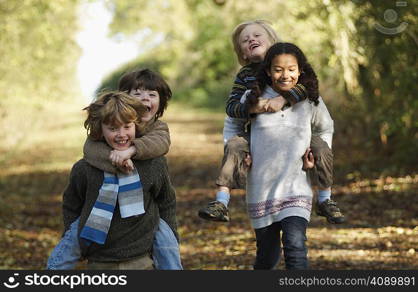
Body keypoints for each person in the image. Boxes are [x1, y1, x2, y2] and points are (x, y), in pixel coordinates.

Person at [198, 20, 344, 224]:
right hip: (257, 136)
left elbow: (308, 86)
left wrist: (283, 98)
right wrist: (254, 108)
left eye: (257, 35)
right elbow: (231, 109)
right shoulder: (245, 76)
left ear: (272, 41)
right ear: (243, 54)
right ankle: (221, 201)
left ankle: (325, 199)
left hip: (298, 136)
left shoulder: (289, 63)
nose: (251, 40)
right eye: (245, 40)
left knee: (321, 147)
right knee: (234, 145)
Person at [47, 71, 181, 270]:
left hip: (143, 224)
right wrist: (116, 162)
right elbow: (90, 148)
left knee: (166, 240)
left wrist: (131, 151)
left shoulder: (158, 133)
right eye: (138, 93)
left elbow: (166, 198)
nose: (145, 99)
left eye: (152, 95)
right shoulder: (92, 155)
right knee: (74, 234)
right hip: (104, 188)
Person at [247, 42, 335, 269]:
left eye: (291, 69)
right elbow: (233, 126)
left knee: (296, 248)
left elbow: (325, 128)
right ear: (268, 71)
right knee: (266, 257)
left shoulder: (309, 98)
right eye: (278, 69)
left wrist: (316, 153)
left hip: (297, 186)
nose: (285, 75)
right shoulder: (253, 97)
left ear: (300, 70)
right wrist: (241, 153)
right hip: (261, 186)